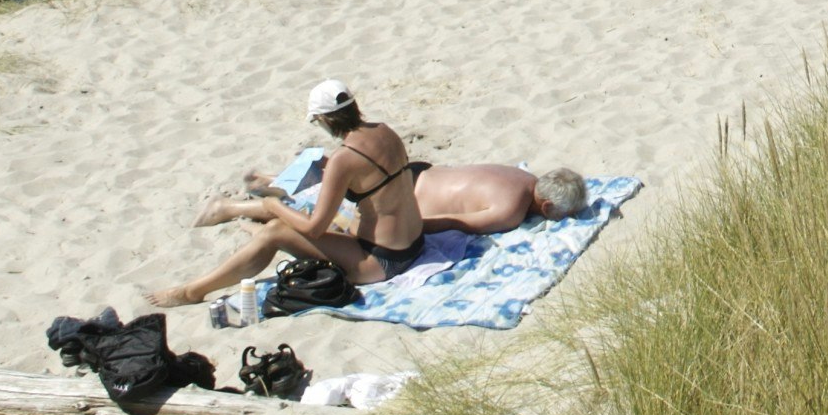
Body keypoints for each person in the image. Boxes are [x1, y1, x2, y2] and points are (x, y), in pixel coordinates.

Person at [147, 81, 427, 307]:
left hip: (383, 261)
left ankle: (194, 291)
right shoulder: (383, 131)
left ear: (324, 119)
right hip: (414, 242)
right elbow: (369, 175)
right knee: (302, 211)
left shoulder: (345, 157)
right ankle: (239, 218)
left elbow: (315, 229)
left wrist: (273, 204)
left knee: (276, 229)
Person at [198, 161, 590, 240]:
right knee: (336, 216)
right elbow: (453, 223)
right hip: (399, 200)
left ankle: (274, 178)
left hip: (411, 172)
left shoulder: (519, 174)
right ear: (549, 208)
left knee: (343, 181)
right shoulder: (509, 211)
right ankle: (230, 209)